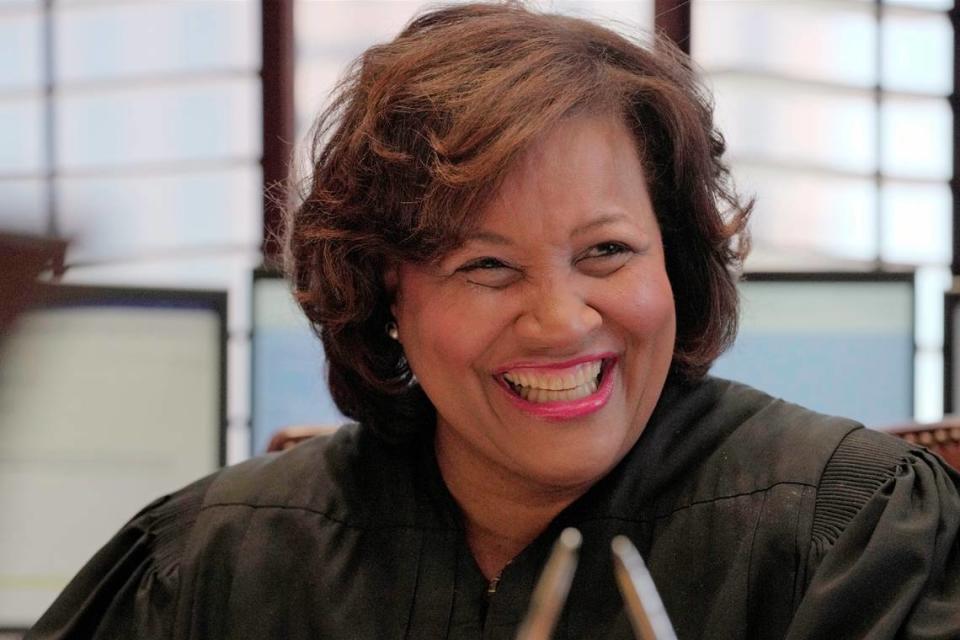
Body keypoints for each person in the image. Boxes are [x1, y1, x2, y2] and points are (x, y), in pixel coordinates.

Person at [28, 3, 960, 639]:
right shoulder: (215, 565)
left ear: (674, 260)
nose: (559, 322)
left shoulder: (855, 538)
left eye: (607, 253)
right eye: (486, 266)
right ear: (384, 291)